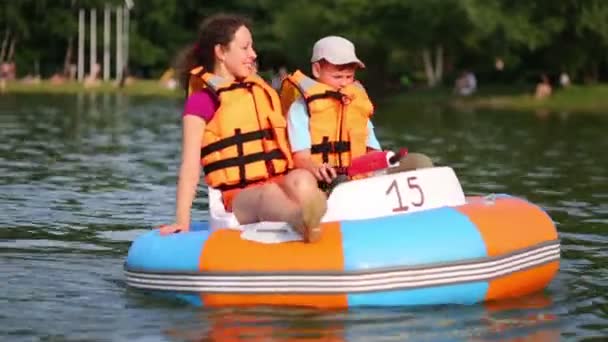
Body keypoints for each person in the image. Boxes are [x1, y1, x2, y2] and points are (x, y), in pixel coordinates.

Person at [159, 14, 327, 242]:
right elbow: (190, 166)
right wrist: (182, 220)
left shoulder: (260, 91)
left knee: (301, 178)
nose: (253, 54)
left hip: (277, 180)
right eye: (245, 47)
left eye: (253, 47)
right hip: (237, 197)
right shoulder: (202, 101)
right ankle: (301, 219)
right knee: (267, 194)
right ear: (221, 52)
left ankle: (317, 215)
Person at [280, 36, 432, 186]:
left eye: (349, 76)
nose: (345, 83)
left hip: (360, 177)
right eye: (338, 76)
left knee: (420, 162)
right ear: (317, 70)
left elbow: (372, 150)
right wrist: (318, 168)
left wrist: (385, 160)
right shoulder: (300, 108)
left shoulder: (356, 104)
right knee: (336, 182)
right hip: (324, 181)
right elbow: (301, 158)